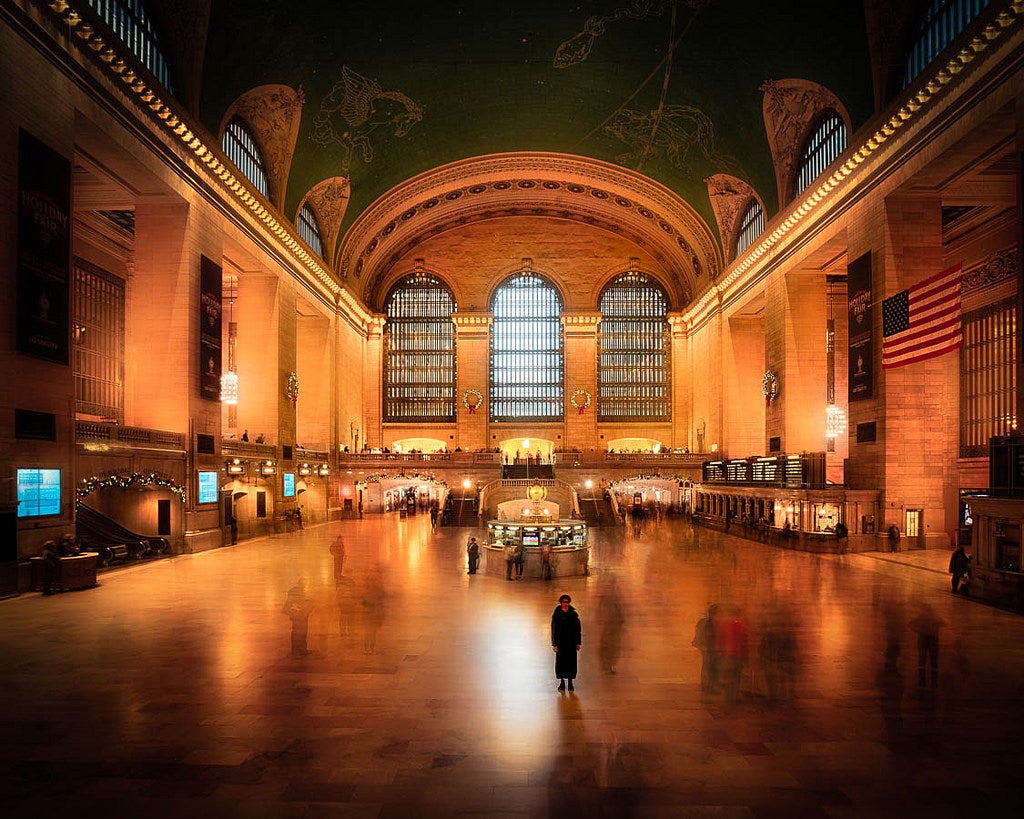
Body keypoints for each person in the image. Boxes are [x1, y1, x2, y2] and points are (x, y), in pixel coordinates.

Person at [551, 594, 582, 691]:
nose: (565, 604)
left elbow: (578, 629)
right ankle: (562, 683)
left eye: (567, 602)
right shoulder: (556, 614)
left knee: (571, 662)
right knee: (561, 663)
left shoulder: (573, 614)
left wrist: (578, 642)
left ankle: (570, 682)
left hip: (571, 643)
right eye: (563, 602)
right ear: (560, 603)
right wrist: (554, 644)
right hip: (560, 643)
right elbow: (553, 630)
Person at [282, 579, 313, 656]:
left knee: (298, 633)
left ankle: (298, 650)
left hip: (298, 616)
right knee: (300, 634)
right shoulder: (298, 592)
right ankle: (300, 650)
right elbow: (299, 603)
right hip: (299, 616)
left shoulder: (295, 592)